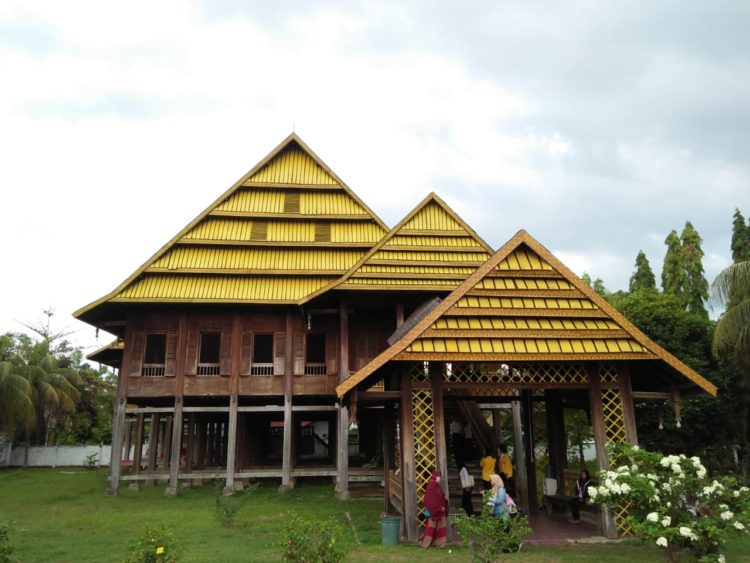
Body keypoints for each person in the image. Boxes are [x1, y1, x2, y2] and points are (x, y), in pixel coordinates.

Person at [421, 470, 449, 548]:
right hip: (433, 510)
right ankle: (425, 544)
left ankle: (439, 544)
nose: (439, 478)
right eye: (438, 476)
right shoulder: (431, 486)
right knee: (430, 528)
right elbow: (430, 500)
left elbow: (440, 495)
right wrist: (439, 508)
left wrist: (444, 498)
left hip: (441, 511)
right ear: (435, 477)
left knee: (441, 527)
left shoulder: (437, 485)